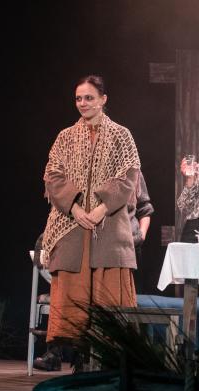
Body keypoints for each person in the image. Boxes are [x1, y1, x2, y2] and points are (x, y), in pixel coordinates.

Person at [34, 75, 141, 372]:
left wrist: (102, 209)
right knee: (72, 291)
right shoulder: (66, 137)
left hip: (108, 225)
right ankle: (66, 353)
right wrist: (75, 207)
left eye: (89, 98)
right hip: (72, 224)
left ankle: (101, 360)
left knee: (107, 294)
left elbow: (129, 176)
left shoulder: (121, 135)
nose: (83, 103)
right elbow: (53, 175)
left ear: (103, 99)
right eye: (79, 98)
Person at [128, 170, 154, 293]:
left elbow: (144, 208)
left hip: (131, 243)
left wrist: (142, 234)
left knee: (132, 294)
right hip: (101, 242)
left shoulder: (134, 170)